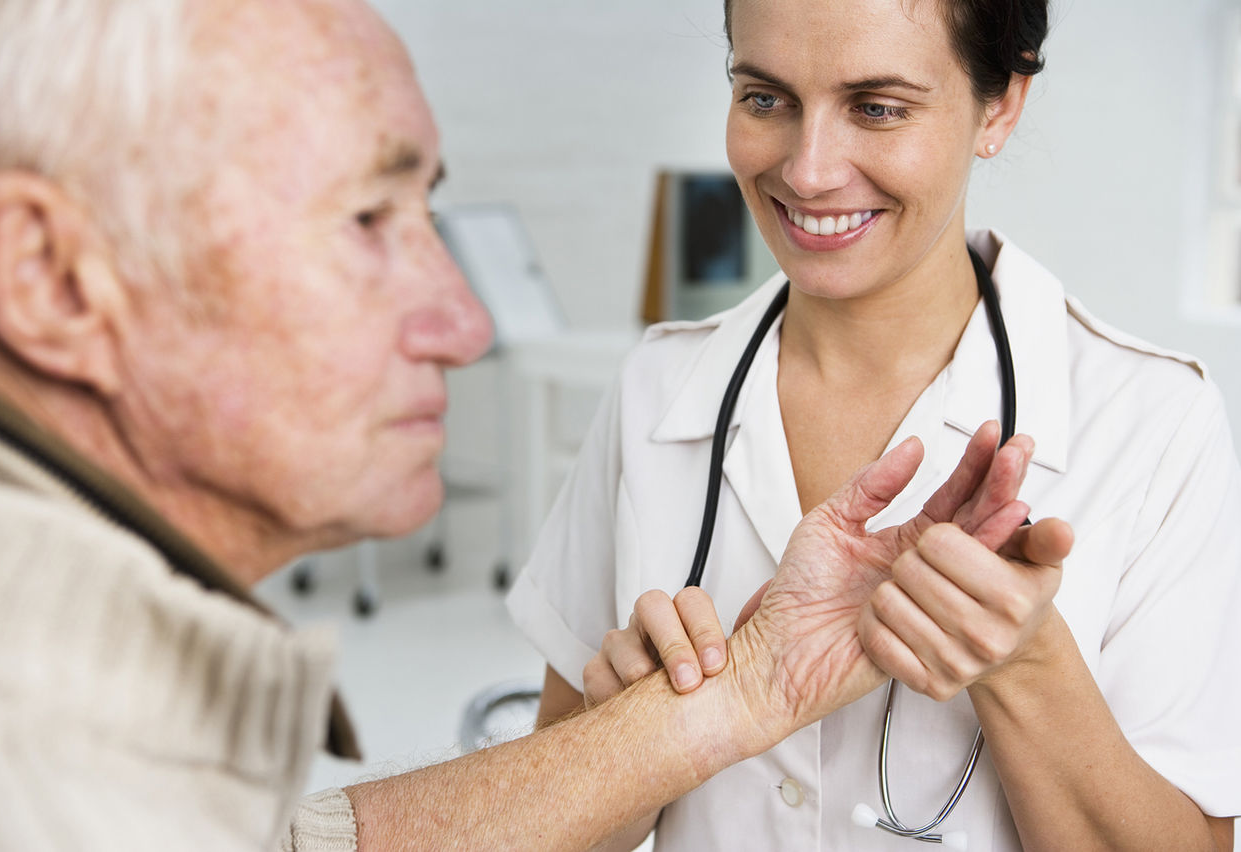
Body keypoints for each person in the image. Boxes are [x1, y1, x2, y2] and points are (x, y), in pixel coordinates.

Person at [0, 1, 1055, 850]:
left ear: (998, 106)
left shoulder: (90, 733)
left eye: (427, 211)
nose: (465, 319)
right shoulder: (10, 757)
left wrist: (744, 692)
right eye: (364, 218)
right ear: (51, 278)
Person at [509, 0, 1241, 849]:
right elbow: (539, 823)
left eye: (878, 108)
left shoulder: (1150, 420)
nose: (809, 171)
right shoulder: (657, 387)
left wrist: (1024, 664)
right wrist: (632, 756)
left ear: (999, 104)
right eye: (765, 99)